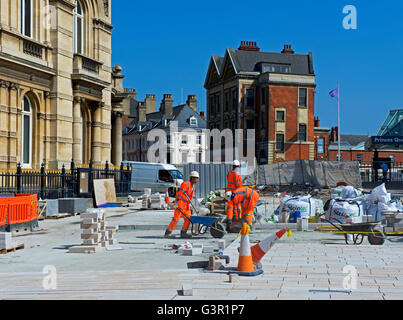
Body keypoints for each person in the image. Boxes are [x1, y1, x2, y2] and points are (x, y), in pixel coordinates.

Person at [164, 171, 199, 239]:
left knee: (188, 219)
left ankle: (183, 233)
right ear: (192, 178)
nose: (197, 180)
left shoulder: (193, 187)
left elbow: (190, 197)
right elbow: (179, 194)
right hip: (180, 205)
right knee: (175, 219)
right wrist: (176, 203)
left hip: (186, 206)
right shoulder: (185, 184)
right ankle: (167, 233)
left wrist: (190, 205)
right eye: (196, 178)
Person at [225, 160, 248, 231]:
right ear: (238, 166)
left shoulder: (229, 173)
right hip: (235, 193)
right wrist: (243, 180)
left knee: (230, 208)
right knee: (237, 208)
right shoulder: (237, 174)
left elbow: (230, 181)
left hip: (228, 193)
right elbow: (238, 184)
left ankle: (229, 223)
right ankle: (237, 223)